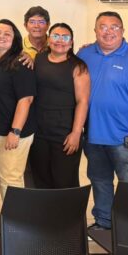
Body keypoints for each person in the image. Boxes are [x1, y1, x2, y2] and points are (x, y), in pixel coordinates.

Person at [77, 12, 128, 229]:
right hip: (93, 136)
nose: (108, 32)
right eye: (103, 27)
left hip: (126, 138)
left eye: (114, 27)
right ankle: (103, 222)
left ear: (123, 31)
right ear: (95, 31)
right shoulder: (84, 54)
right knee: (99, 181)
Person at [0, 19, 36, 207]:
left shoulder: (20, 63)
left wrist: (15, 131)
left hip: (12, 132)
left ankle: (18, 222)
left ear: (15, 38)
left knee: (10, 178)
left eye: (7, 34)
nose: (1, 36)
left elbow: (26, 99)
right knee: (1, 175)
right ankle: (13, 219)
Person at [29, 23, 89, 189]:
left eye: (65, 37)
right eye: (55, 36)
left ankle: (69, 209)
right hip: (39, 132)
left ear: (71, 42)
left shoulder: (78, 67)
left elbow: (83, 101)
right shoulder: (39, 59)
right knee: (41, 181)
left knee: (65, 182)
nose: (60, 41)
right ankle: (45, 208)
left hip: (65, 133)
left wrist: (76, 133)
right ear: (49, 39)